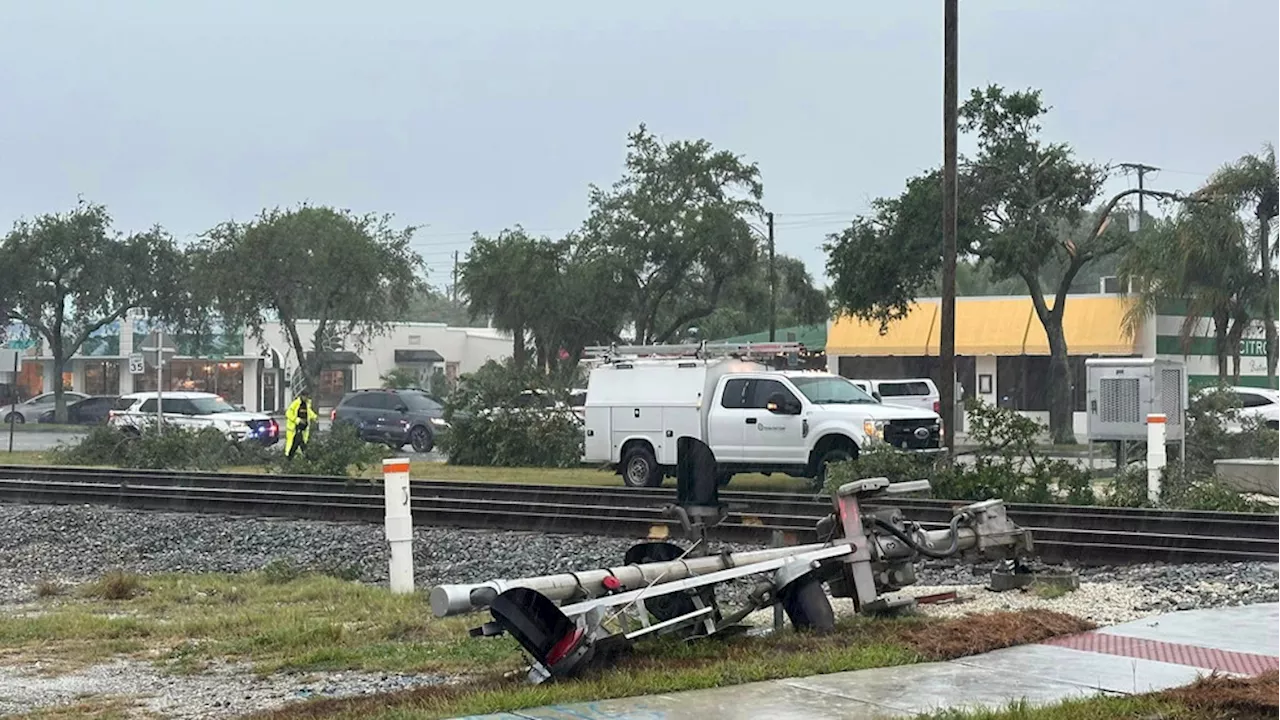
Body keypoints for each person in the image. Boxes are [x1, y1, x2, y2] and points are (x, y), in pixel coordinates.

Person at [285, 388, 318, 458]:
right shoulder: (296, 403)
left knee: (300, 442)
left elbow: (309, 412)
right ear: (301, 396)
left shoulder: (307, 404)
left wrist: (315, 417)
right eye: (304, 396)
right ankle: (289, 457)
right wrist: (297, 420)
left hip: (304, 428)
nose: (306, 398)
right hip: (294, 428)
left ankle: (297, 458)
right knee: (294, 443)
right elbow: (288, 413)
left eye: (307, 396)